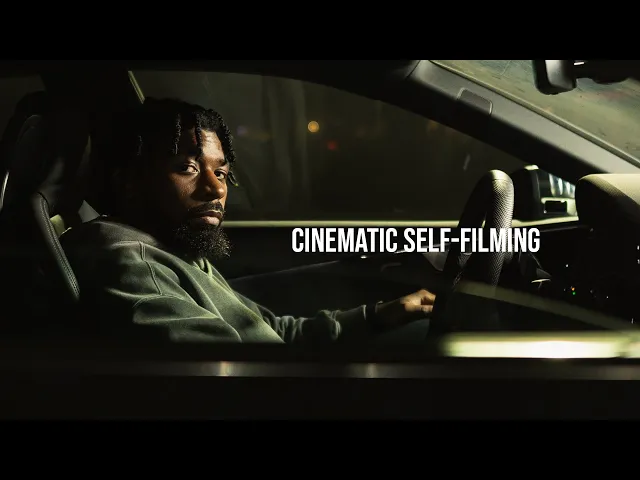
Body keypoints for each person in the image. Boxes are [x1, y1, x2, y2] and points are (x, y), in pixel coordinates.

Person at [60, 98, 435, 344]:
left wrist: (377, 316)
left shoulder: (173, 246)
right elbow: (239, 380)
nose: (214, 188)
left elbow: (269, 331)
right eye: (187, 168)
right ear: (130, 181)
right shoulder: (134, 265)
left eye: (221, 173)